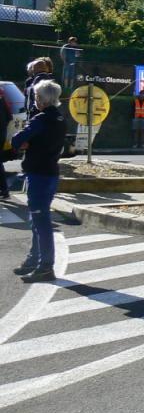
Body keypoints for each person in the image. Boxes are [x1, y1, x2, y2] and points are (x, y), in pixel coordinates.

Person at [11, 80, 67, 282]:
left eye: (36, 96)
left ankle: (45, 266)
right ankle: (34, 260)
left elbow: (16, 140)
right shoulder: (60, 118)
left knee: (40, 220)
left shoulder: (40, 119)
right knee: (37, 219)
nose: (35, 99)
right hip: (51, 172)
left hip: (38, 174)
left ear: (42, 99)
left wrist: (26, 142)